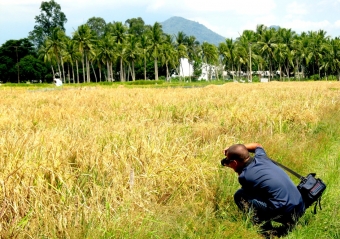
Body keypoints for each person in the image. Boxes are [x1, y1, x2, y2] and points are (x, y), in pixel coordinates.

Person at [221, 143, 305, 236]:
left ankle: (266, 231)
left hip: (286, 212)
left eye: (229, 162)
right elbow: (258, 145)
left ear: (234, 163)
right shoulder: (261, 157)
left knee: (239, 195)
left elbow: (250, 196)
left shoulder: (245, 177)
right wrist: (235, 149)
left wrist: (236, 167)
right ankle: (292, 222)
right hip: (300, 206)